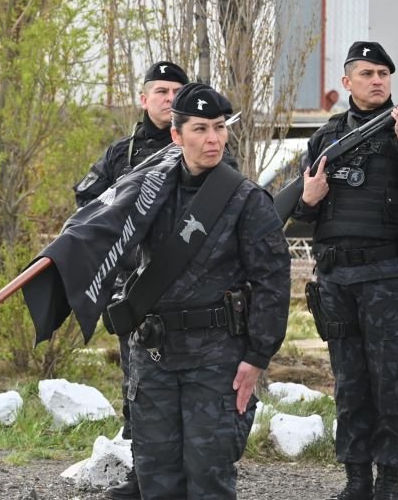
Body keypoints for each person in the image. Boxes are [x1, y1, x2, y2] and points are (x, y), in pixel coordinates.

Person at [126, 83, 290, 498]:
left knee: (208, 477)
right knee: (155, 476)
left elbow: (273, 282)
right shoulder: (148, 192)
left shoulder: (246, 199)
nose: (213, 139)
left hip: (216, 360)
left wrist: (256, 357)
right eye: (200, 129)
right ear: (176, 135)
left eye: (219, 127)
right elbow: (106, 243)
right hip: (156, 355)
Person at [292, 41, 398, 500]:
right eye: (368, 73)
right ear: (347, 82)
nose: (378, 81)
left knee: (388, 382)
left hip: (387, 277)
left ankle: (389, 481)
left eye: (384, 74)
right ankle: (355, 479)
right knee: (348, 382)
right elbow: (299, 213)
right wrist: (307, 200)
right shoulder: (326, 138)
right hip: (336, 280)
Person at [73, 60, 189, 500]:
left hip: (186, 286)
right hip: (132, 288)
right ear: (143, 99)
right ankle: (144, 475)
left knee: (188, 384)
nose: (168, 98)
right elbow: (87, 201)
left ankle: (189, 472)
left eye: (176, 91)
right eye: (159, 91)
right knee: (139, 386)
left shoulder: (199, 145)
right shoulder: (120, 155)